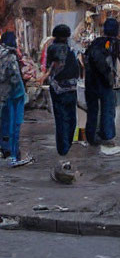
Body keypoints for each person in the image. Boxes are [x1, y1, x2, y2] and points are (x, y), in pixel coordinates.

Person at [38, 25, 80, 159]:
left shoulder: (54, 47)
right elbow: (56, 65)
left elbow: (52, 66)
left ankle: (63, 147)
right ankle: (64, 147)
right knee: (70, 118)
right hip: (67, 88)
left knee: (61, 118)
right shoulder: (63, 48)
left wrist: (47, 77)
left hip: (59, 89)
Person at [84, 18, 120, 155]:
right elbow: (102, 61)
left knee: (93, 110)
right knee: (107, 108)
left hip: (91, 82)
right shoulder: (109, 43)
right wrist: (109, 76)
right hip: (102, 82)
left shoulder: (96, 43)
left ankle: (92, 136)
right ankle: (106, 136)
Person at [0, 31, 32, 167]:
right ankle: (14, 156)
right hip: (15, 94)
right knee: (15, 125)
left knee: (5, 123)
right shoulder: (10, 56)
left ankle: (5, 149)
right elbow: (13, 78)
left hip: (3, 94)